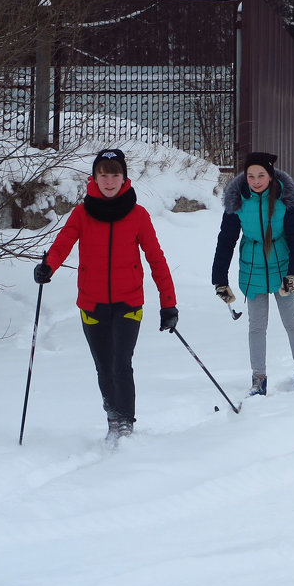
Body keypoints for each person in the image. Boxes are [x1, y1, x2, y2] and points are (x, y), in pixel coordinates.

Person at [34, 148, 178, 443]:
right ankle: (112, 415)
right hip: (92, 302)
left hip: (129, 302)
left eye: (115, 174)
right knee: (103, 365)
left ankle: (126, 420)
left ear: (124, 178)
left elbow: (156, 259)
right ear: (95, 178)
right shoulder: (81, 214)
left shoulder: (138, 215)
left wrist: (169, 304)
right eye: (104, 174)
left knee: (121, 362)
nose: (109, 180)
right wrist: (48, 266)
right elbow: (62, 244)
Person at [212, 152, 294, 396]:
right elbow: (226, 241)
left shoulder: (284, 200)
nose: (255, 181)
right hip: (252, 267)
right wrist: (220, 279)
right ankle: (259, 379)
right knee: (257, 326)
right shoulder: (238, 202)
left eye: (261, 175)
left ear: (270, 176)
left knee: (291, 321)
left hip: (282, 267)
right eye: (251, 176)